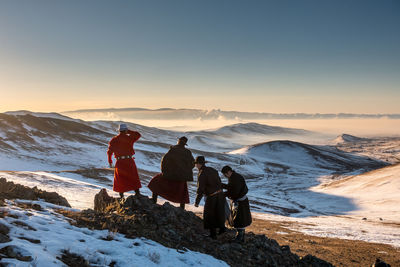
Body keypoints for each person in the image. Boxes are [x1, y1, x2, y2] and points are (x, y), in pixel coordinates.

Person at [148, 136, 194, 209]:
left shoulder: (173, 150)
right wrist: (184, 170)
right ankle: (182, 208)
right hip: (182, 177)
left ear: (178, 142)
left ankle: (154, 200)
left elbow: (164, 161)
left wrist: (164, 172)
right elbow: (192, 164)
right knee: (182, 192)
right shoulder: (188, 152)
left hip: (170, 174)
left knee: (155, 182)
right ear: (184, 144)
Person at [194, 156, 225, 239]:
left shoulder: (202, 173)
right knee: (219, 213)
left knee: (209, 215)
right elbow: (219, 182)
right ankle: (222, 230)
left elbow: (200, 188)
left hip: (212, 196)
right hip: (220, 194)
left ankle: (213, 235)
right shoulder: (212, 170)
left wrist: (197, 202)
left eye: (196, 164)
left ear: (199, 164)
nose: (195, 166)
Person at [107, 123, 142, 198]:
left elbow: (109, 152)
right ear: (125, 130)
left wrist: (110, 161)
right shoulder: (129, 138)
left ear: (119, 131)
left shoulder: (114, 140)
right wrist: (128, 131)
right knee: (133, 176)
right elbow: (138, 135)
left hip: (120, 162)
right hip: (129, 160)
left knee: (120, 178)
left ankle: (121, 196)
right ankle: (137, 193)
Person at [221, 165, 252, 243]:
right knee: (241, 218)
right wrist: (223, 185)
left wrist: (223, 194)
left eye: (225, 174)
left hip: (240, 202)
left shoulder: (235, 179)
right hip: (241, 201)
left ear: (228, 172)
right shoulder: (234, 177)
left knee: (239, 219)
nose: (225, 176)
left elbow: (234, 192)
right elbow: (232, 188)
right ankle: (241, 237)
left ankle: (240, 237)